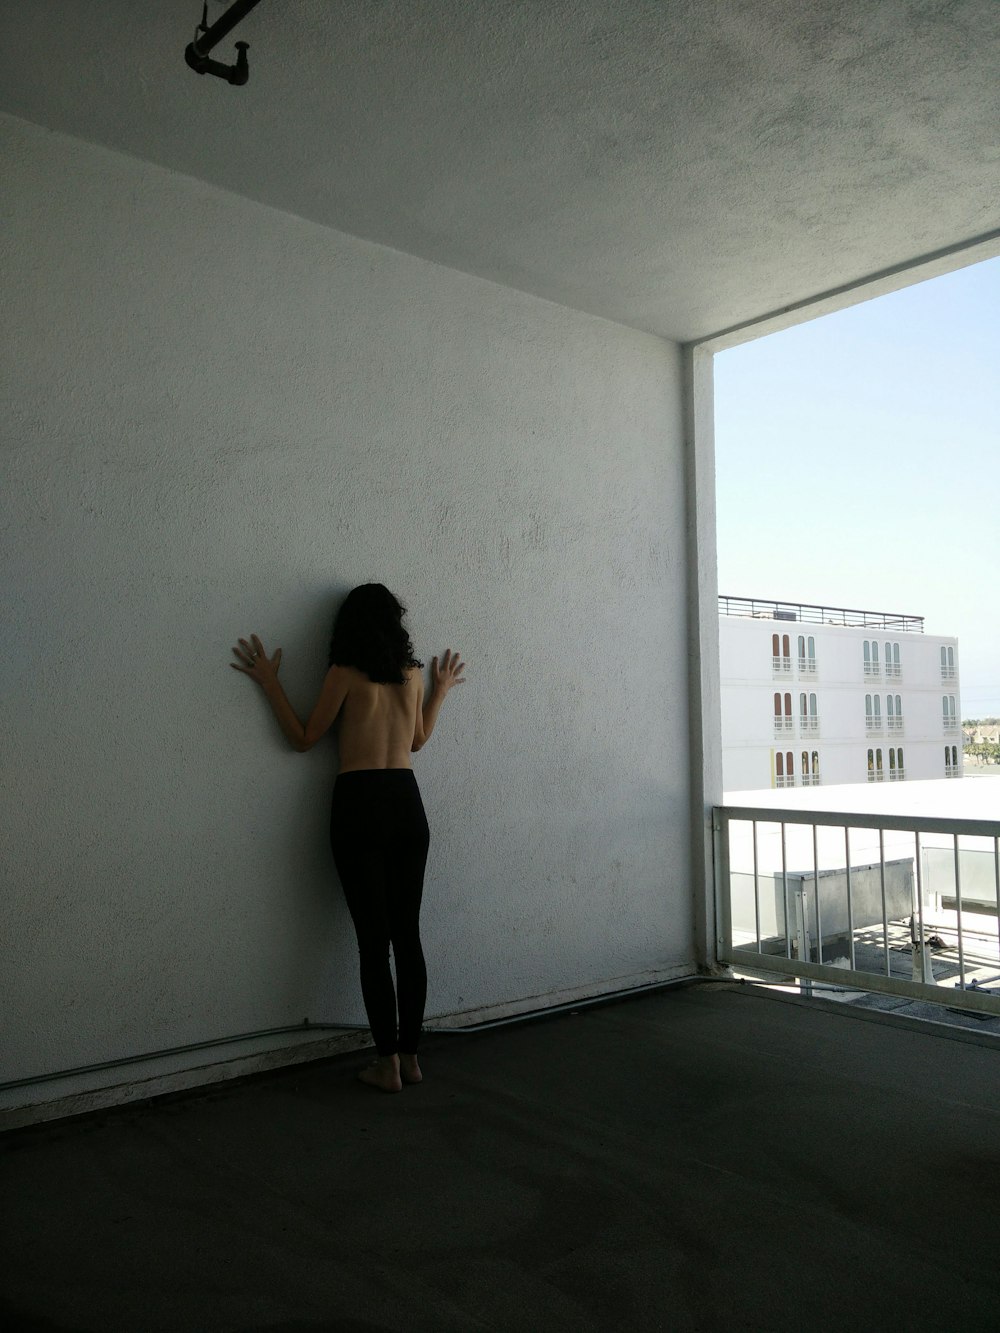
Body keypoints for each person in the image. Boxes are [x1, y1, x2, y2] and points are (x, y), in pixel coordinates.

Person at [231, 584, 465, 1093]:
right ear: (394, 624)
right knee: (408, 935)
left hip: (360, 803)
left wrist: (270, 682)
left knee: (372, 942)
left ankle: (386, 1064)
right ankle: (411, 1056)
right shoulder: (409, 675)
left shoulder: (343, 674)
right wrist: (440, 689)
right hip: (406, 801)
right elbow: (418, 740)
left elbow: (303, 739)